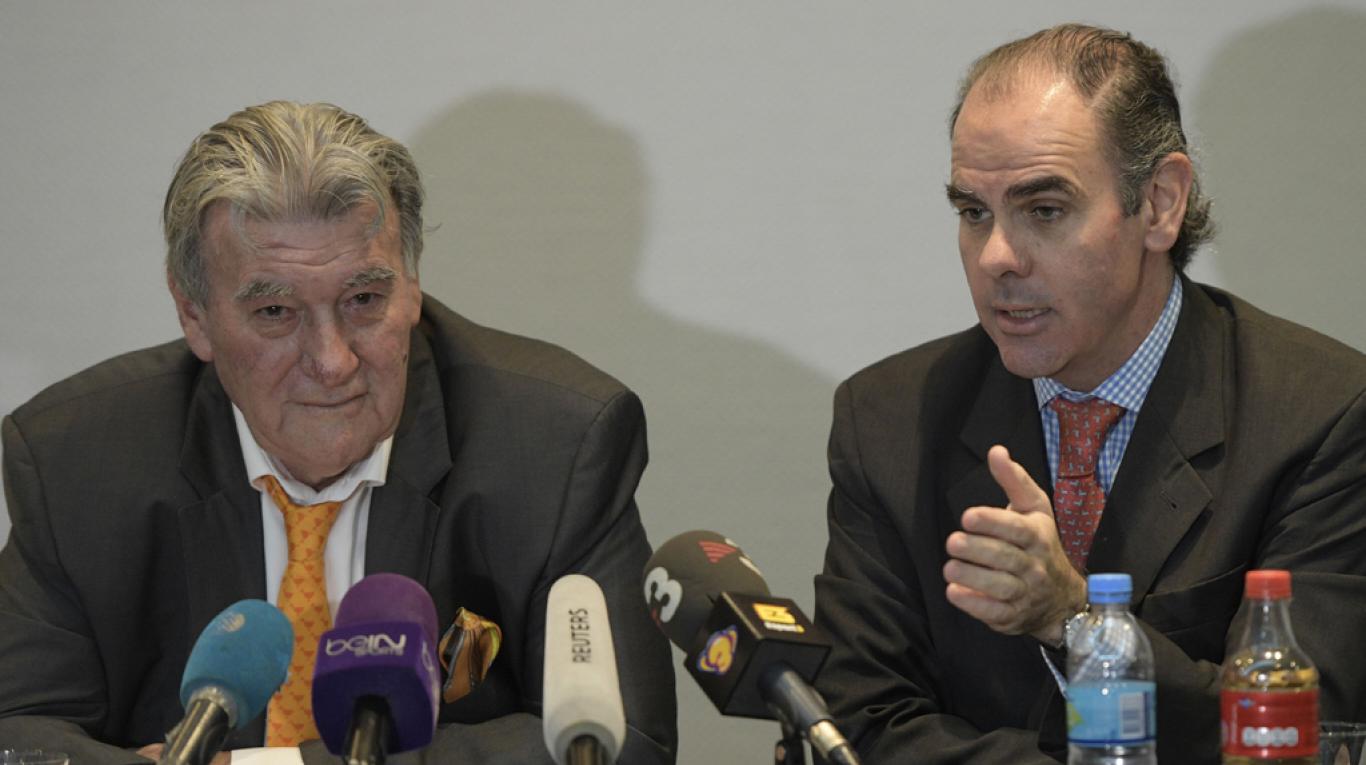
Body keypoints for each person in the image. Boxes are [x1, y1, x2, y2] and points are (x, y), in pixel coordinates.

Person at [0, 101, 676, 763]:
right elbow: (19, 727)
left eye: (364, 300)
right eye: (275, 311)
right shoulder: (75, 460)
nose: (332, 361)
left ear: (412, 286)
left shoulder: (557, 447)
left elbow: (624, 741)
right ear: (194, 315)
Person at [813, 23, 1366, 765]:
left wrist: (1075, 620)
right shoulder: (888, 421)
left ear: (1160, 203)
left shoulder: (1321, 414)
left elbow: (1299, 737)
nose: (997, 257)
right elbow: (857, 727)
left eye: (1044, 210)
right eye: (974, 213)